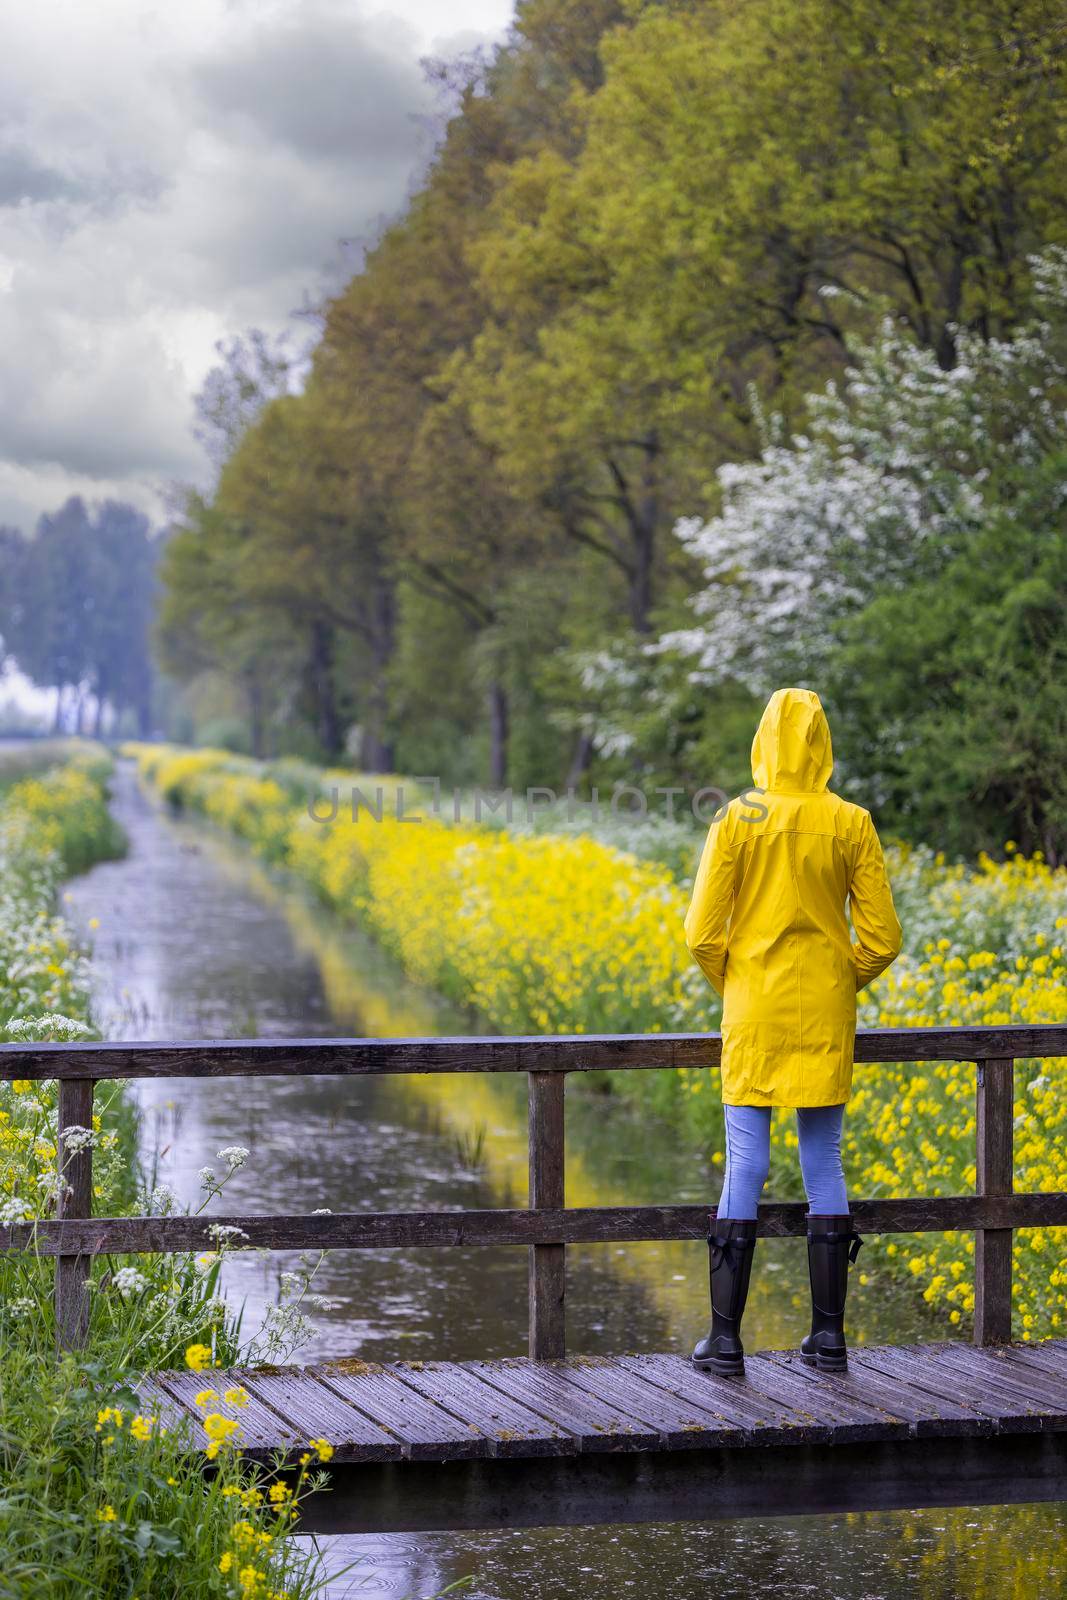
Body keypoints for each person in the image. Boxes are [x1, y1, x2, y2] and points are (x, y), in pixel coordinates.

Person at [684, 687, 902, 1376]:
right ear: (821, 742)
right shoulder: (852, 822)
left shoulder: (736, 818)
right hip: (825, 1010)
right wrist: (843, 979)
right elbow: (883, 939)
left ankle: (723, 1342)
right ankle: (829, 1338)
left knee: (745, 1161)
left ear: (763, 740)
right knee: (824, 1162)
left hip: (752, 1009)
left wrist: (737, 982)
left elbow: (698, 934)